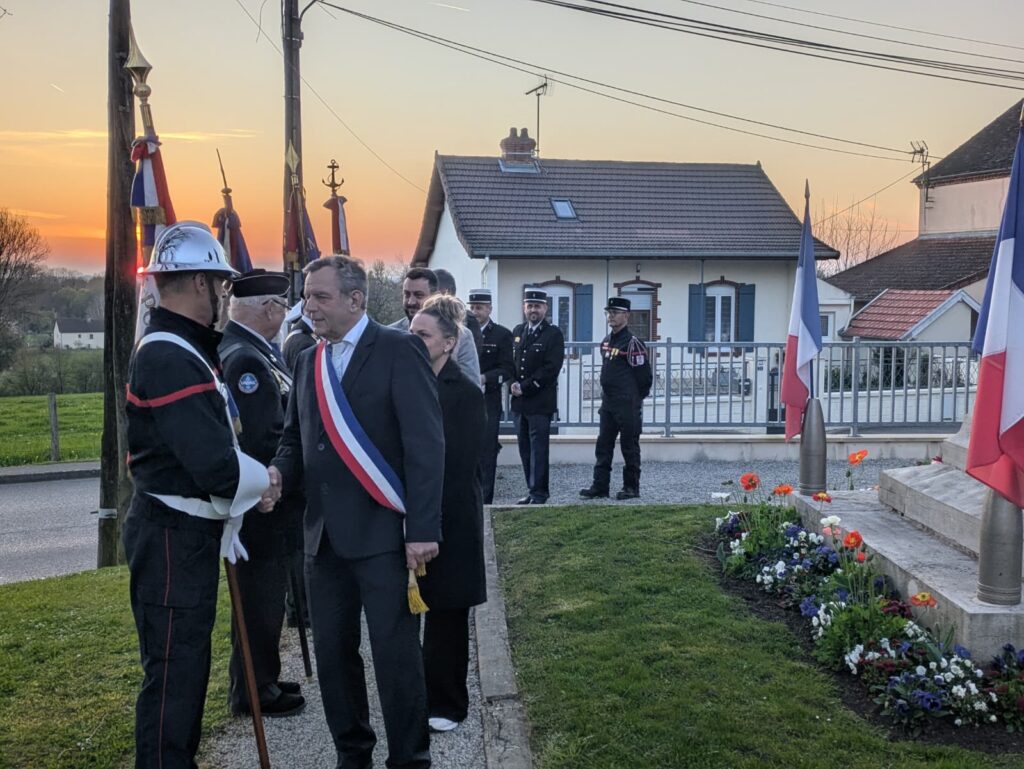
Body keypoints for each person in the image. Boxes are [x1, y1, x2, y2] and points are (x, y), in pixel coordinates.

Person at [271, 255, 443, 769]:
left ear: (355, 299)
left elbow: (425, 445)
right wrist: (277, 475)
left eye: (320, 296)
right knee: (332, 658)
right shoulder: (307, 359)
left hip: (384, 537)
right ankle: (353, 754)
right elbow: (293, 439)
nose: (309, 306)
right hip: (322, 542)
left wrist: (423, 529)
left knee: (395, 658)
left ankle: (409, 759)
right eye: (307, 296)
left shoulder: (398, 349)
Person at [122, 221, 277, 768]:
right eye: (220, 283)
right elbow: (214, 462)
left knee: (185, 664)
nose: (225, 295)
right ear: (195, 284)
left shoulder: (182, 347)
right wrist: (264, 480)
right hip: (169, 535)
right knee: (173, 672)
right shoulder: (169, 355)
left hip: (183, 531)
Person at [219, 269, 306, 718]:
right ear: (270, 309)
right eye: (282, 307)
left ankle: (262, 678)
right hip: (260, 504)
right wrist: (278, 480)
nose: (284, 315)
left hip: (265, 502)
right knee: (259, 599)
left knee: (266, 597)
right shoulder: (246, 360)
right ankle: (253, 690)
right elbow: (261, 436)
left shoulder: (254, 351)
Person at [408, 294, 487, 733]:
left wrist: (425, 523)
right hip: (409, 516)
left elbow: (456, 469)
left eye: (423, 334)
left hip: (450, 519)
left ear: (449, 342)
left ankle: (448, 703)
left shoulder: (465, 394)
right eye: (411, 332)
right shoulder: (405, 381)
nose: (414, 340)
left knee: (447, 616)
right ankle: (416, 694)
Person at [580, 297, 653, 500]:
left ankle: (631, 487)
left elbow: (645, 377)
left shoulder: (633, 343)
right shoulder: (606, 341)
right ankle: (600, 486)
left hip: (627, 403)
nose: (611, 316)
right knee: (603, 445)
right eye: (609, 312)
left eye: (616, 312)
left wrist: (635, 398)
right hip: (608, 402)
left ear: (626, 316)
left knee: (629, 446)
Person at [510, 287, 566, 504]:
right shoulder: (518, 330)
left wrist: (525, 386)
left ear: (545, 308)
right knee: (525, 450)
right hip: (519, 402)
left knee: (538, 450)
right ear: (525, 307)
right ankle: (531, 489)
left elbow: (551, 368)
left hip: (540, 401)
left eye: (537, 306)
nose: (533, 309)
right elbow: (511, 363)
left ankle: (540, 493)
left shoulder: (553, 334)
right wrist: (512, 382)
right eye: (529, 305)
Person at [390, 267, 481, 386]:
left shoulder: (462, 336)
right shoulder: (390, 334)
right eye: (407, 295)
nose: (411, 302)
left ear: (436, 296)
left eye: (418, 295)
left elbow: (472, 388)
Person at [467, 288, 514, 504]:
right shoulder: (462, 331)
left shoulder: (502, 335)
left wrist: (485, 378)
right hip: (464, 399)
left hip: (489, 400)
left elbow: (507, 369)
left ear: (489, 309)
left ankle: (485, 500)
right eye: (472, 307)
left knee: (487, 451)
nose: (475, 312)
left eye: (479, 308)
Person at [433, 268, 482, 352]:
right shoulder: (424, 318)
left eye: (433, 291)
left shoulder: (468, 321)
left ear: (446, 292)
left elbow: (472, 357)